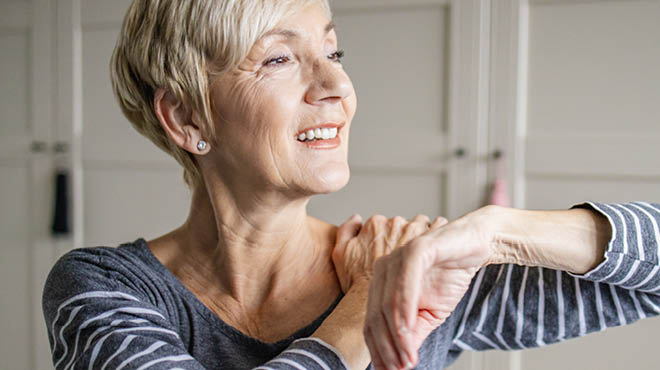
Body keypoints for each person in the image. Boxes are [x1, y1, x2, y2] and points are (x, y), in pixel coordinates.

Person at [41, 1, 660, 370]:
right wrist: (366, 303)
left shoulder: (421, 269)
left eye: (334, 53)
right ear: (186, 117)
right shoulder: (101, 287)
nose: (336, 87)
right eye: (279, 58)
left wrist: (494, 232)